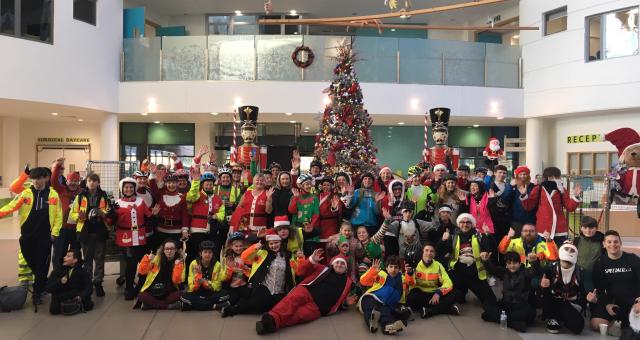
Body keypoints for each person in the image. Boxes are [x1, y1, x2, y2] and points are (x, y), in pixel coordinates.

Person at [1, 167, 62, 306]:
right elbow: (11, 206)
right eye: (33, 179)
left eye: (39, 178)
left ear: (45, 178)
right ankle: (41, 283)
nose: (36, 181)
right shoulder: (25, 194)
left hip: (45, 237)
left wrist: (54, 233)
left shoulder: (53, 195)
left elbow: (58, 215)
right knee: (32, 262)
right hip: (27, 237)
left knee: (42, 265)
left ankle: (37, 293)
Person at [256, 249, 355, 334]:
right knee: (289, 303)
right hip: (306, 290)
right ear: (332, 264)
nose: (339, 265)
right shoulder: (322, 268)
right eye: (337, 262)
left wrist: (345, 304)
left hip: (318, 307)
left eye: (342, 264)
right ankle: (271, 318)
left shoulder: (348, 282)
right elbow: (301, 271)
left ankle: (270, 324)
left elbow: (339, 300)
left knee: (299, 316)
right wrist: (311, 260)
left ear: (346, 269)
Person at [221, 230, 295, 317]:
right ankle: (231, 310)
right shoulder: (263, 254)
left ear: (280, 242)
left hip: (280, 291)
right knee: (256, 304)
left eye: (276, 242)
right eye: (271, 243)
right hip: (264, 287)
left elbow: (296, 270)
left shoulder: (288, 255)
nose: (274, 245)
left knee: (279, 309)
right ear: (267, 244)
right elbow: (244, 256)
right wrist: (258, 244)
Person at [436, 213, 498, 313]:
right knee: (454, 299)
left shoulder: (479, 236)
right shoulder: (453, 237)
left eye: (468, 222)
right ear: (458, 224)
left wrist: (488, 235)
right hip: (458, 275)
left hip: (475, 275)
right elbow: (438, 253)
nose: (465, 224)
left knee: (491, 301)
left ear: (472, 224)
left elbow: (492, 250)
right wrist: (442, 240)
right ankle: (460, 295)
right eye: (462, 222)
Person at [590, 230, 640, 334]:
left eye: (616, 242)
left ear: (620, 243)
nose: (613, 244)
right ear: (604, 244)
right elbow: (599, 288)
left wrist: (639, 301)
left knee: (634, 329)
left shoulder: (633, 259)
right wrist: (607, 304)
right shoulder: (600, 263)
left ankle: (627, 323)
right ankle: (615, 321)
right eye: (609, 242)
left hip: (633, 303)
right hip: (613, 303)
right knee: (596, 324)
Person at [111, 177, 152, 300]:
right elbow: (109, 221)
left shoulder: (140, 201)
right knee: (131, 264)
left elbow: (148, 214)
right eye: (126, 187)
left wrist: (154, 212)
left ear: (134, 189)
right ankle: (129, 288)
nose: (128, 189)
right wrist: (109, 215)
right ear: (122, 189)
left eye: (131, 187)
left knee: (143, 263)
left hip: (140, 238)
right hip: (125, 239)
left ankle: (140, 286)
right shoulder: (117, 203)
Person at [70, 173, 110, 297]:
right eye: (89, 181)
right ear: (86, 182)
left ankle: (98, 283)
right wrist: (79, 217)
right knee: (87, 259)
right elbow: (73, 213)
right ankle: (87, 283)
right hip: (85, 231)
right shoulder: (80, 196)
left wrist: (103, 213)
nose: (92, 183)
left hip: (99, 231)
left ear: (98, 183)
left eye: (94, 181)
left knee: (99, 259)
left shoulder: (104, 196)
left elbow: (107, 211)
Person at [520, 166, 582, 245]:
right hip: (543, 229)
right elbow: (529, 206)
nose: (557, 179)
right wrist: (523, 196)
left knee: (561, 254)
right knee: (543, 254)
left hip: (559, 229)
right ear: (548, 177)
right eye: (555, 177)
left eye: (558, 177)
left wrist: (576, 197)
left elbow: (570, 207)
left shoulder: (561, 190)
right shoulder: (538, 189)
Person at [480, 251, 540, 332]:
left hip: (521, 306)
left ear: (519, 263)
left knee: (530, 314)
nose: (512, 266)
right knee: (486, 306)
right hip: (506, 305)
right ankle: (514, 324)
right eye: (509, 263)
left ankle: (502, 319)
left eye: (515, 263)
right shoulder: (504, 272)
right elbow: (492, 270)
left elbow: (534, 271)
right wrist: (486, 261)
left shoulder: (525, 272)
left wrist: (534, 262)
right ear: (506, 264)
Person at [358, 255, 413, 335]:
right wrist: (372, 271)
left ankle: (388, 327)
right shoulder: (380, 274)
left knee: (386, 313)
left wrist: (410, 274)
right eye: (391, 267)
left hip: (387, 305)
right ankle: (371, 321)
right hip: (372, 297)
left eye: (396, 267)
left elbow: (411, 283)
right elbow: (363, 281)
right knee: (371, 307)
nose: (393, 270)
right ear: (386, 268)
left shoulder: (403, 279)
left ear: (400, 269)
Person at [540, 241, 586, 334]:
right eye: (566, 249)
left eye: (571, 250)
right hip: (553, 300)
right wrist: (542, 284)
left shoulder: (581, 272)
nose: (569, 252)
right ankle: (551, 317)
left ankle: (561, 316)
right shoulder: (550, 269)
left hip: (569, 303)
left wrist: (588, 299)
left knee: (578, 327)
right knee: (543, 290)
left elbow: (586, 292)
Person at [406, 243, 460, 319]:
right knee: (411, 297)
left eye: (432, 251)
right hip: (421, 294)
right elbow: (410, 283)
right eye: (426, 250)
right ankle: (447, 309)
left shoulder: (438, 265)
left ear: (434, 254)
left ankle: (429, 311)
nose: (429, 253)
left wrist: (438, 293)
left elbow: (448, 282)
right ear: (422, 252)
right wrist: (409, 273)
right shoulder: (415, 264)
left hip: (435, 294)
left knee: (457, 293)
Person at [186, 168, 225, 267]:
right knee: (194, 254)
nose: (209, 186)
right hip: (197, 230)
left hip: (211, 231)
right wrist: (195, 181)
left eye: (211, 184)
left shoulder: (217, 198)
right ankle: (190, 276)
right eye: (206, 184)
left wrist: (217, 216)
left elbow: (222, 212)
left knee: (211, 255)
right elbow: (191, 196)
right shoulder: (197, 195)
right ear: (202, 185)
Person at [136, 239, 186, 310]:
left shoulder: (180, 261)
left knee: (183, 293)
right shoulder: (156, 259)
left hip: (169, 291)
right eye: (167, 249)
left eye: (172, 249)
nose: (169, 251)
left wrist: (178, 266)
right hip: (153, 291)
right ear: (163, 250)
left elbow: (177, 281)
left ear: (175, 250)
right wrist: (147, 259)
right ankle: (166, 306)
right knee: (141, 295)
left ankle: (152, 305)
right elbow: (142, 271)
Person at [50, 158, 81, 270]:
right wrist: (58, 166)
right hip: (62, 229)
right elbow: (53, 180)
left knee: (75, 255)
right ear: (66, 181)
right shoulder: (60, 189)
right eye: (71, 181)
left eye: (75, 181)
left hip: (76, 229)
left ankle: (73, 276)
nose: (73, 183)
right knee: (59, 254)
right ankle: (58, 275)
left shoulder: (82, 192)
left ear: (79, 182)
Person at [180, 240, 229, 311]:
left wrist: (205, 283)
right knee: (183, 296)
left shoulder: (217, 265)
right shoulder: (194, 264)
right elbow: (191, 286)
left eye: (210, 252)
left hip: (211, 292)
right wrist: (198, 278)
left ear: (213, 254)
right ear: (200, 253)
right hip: (197, 292)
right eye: (205, 252)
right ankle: (214, 306)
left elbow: (217, 286)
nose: (207, 254)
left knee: (225, 294)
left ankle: (191, 306)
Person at [45, 248, 93, 315]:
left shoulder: (82, 271)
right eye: (65, 256)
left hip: (76, 295)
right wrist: (60, 282)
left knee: (88, 304)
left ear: (75, 260)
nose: (64, 258)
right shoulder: (58, 271)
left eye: (68, 256)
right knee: (54, 310)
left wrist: (81, 296)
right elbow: (48, 288)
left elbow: (89, 288)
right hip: (62, 296)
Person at [151, 173, 189, 249]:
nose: (171, 185)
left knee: (176, 253)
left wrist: (185, 230)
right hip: (161, 231)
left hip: (176, 232)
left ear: (177, 183)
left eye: (174, 182)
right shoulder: (160, 195)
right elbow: (153, 188)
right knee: (160, 253)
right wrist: (153, 174)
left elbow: (185, 215)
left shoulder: (182, 197)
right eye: (169, 183)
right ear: (165, 184)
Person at [230, 173, 270, 238]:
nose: (259, 182)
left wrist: (269, 199)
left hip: (260, 227)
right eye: (257, 180)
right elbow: (238, 208)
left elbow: (268, 211)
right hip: (245, 226)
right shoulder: (247, 193)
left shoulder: (267, 193)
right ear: (253, 181)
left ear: (265, 182)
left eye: (262, 180)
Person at [344, 172, 383, 236]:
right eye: (365, 179)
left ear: (373, 181)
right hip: (357, 224)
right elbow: (350, 205)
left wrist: (376, 202)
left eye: (369, 179)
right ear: (362, 181)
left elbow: (377, 212)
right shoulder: (357, 192)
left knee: (369, 245)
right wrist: (350, 194)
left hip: (371, 226)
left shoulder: (376, 194)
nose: (367, 180)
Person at [572, 215, 604, 292]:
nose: (588, 230)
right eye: (585, 228)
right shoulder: (577, 240)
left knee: (592, 293)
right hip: (578, 272)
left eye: (591, 228)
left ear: (596, 228)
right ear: (581, 228)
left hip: (595, 273)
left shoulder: (602, 240)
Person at [510, 166, 536, 235]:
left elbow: (534, 200)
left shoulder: (533, 187)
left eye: (524, 174)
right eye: (520, 174)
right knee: (517, 239)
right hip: (516, 218)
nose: (523, 176)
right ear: (517, 176)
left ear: (528, 175)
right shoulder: (513, 187)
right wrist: (510, 186)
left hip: (530, 218)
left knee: (529, 238)